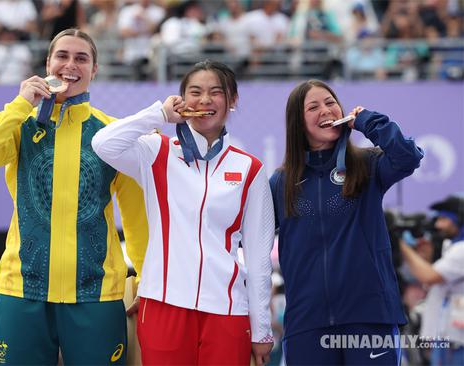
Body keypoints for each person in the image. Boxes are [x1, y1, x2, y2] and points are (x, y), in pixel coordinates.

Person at [0, 28, 148, 365]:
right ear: (47, 63)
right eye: (62, 56)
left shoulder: (113, 134)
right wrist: (20, 105)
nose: (70, 65)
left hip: (97, 295)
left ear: (94, 69)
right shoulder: (20, 124)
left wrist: (146, 278)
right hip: (21, 289)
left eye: (81, 58)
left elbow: (136, 219)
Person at [92, 60, 275, 365]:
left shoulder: (249, 168)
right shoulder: (156, 152)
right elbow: (103, 143)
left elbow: (258, 258)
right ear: (182, 100)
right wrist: (159, 114)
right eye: (195, 92)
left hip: (226, 309)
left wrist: (262, 331)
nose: (205, 100)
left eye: (216, 92)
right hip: (164, 304)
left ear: (233, 100)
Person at [269, 79, 424, 364]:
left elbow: (407, 157)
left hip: (370, 315)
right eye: (313, 107)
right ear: (298, 123)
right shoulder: (282, 182)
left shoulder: (367, 166)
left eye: (330, 103)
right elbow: (250, 236)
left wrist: (369, 122)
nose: (325, 110)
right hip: (307, 323)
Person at [400, 194, 464, 365]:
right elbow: (435, 282)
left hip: (456, 340)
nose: (437, 225)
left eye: (443, 219)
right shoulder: (453, 247)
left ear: (458, 219)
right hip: (447, 338)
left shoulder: (461, 250)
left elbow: (429, 276)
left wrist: (401, 245)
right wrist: (426, 258)